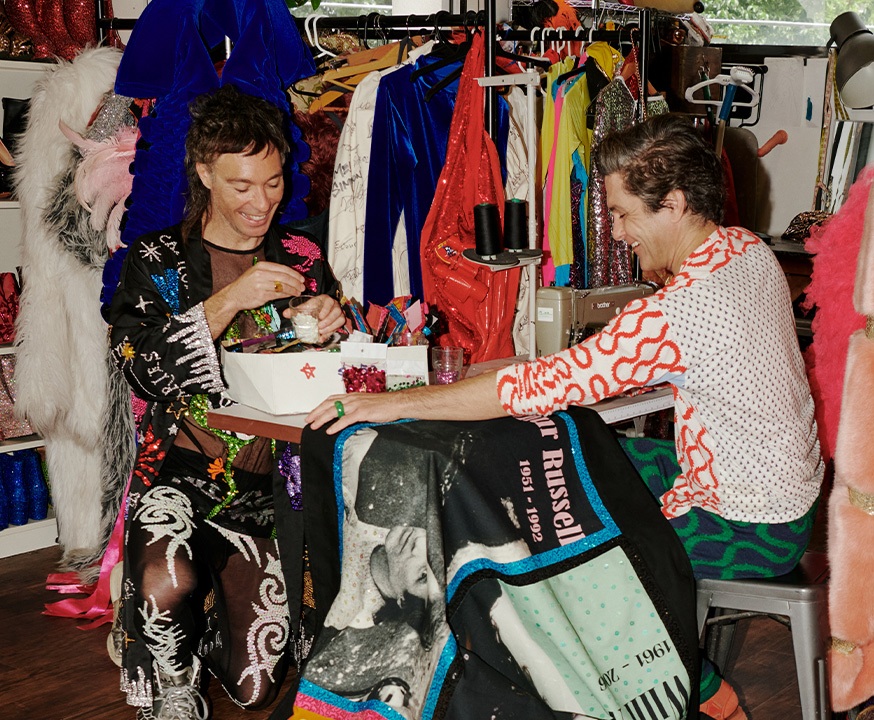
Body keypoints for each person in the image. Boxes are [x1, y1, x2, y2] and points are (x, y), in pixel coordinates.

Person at [306, 113, 823, 720]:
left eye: (626, 214)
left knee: (554, 545)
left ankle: (698, 691)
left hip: (751, 526)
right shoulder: (744, 249)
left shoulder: (682, 311)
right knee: (563, 459)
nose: (620, 232)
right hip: (776, 488)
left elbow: (532, 387)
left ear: (675, 204)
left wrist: (386, 404)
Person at [108, 85, 343, 720]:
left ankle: (203, 612)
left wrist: (332, 319)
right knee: (163, 583)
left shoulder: (302, 255)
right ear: (205, 172)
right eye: (242, 185)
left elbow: (330, 371)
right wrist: (227, 302)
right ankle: (166, 658)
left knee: (256, 688)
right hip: (180, 477)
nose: (262, 202)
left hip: (273, 491)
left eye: (273, 183)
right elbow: (141, 369)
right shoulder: (156, 260)